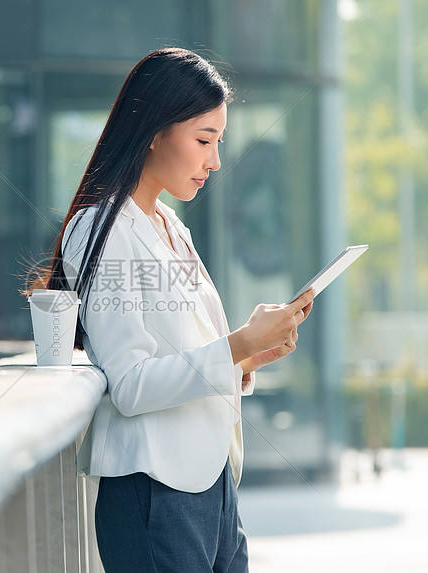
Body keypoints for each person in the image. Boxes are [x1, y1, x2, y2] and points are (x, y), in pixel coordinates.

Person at [27, 48, 314, 573]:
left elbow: (186, 355)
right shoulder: (101, 229)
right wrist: (238, 344)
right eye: (204, 140)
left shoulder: (167, 223)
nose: (215, 160)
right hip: (155, 491)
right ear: (155, 130)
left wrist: (251, 356)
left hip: (211, 485)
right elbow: (131, 384)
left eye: (218, 142)